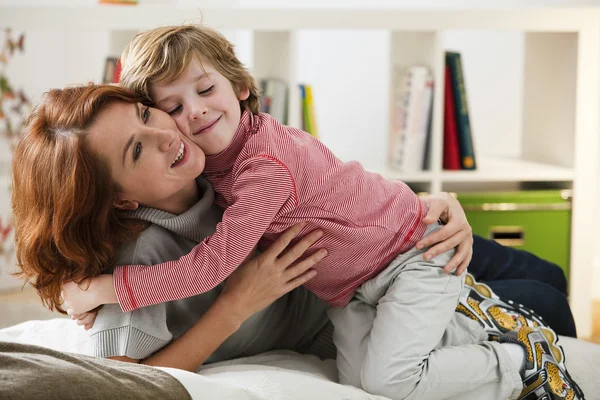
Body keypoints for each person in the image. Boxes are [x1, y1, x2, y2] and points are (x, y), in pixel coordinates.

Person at [57, 25, 581, 400]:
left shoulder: (245, 160)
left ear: (240, 87)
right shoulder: (181, 200)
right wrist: (98, 291)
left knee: (551, 288)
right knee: (549, 304)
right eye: (169, 107)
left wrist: (439, 202)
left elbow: (232, 248)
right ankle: (518, 337)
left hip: (401, 246)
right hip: (358, 278)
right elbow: (125, 374)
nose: (183, 118)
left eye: (151, 115)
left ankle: (519, 353)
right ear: (119, 197)